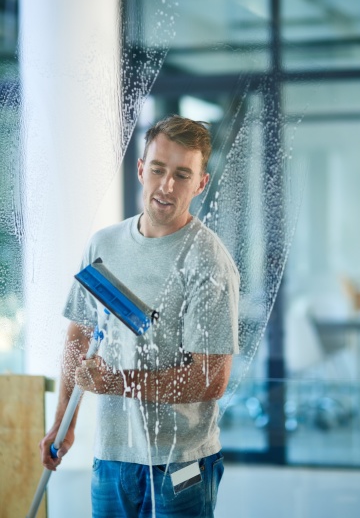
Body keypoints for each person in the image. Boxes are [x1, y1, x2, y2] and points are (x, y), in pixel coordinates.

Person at [40, 115, 239, 518]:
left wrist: (117, 382)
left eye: (182, 175)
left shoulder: (208, 261)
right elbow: (80, 334)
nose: (166, 186)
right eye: (158, 169)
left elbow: (210, 378)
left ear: (201, 184)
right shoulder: (104, 245)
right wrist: (64, 421)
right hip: (112, 454)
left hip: (181, 463)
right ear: (140, 169)